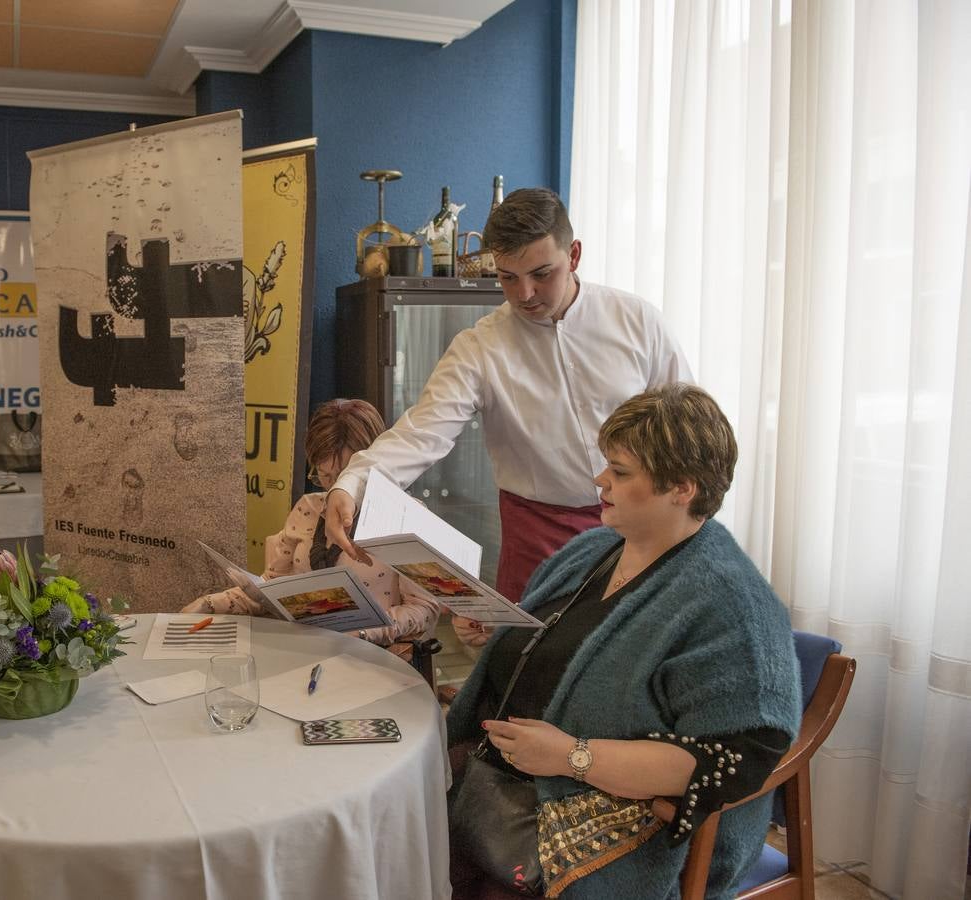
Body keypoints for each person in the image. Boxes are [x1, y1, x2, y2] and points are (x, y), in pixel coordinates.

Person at [445, 384, 801, 898]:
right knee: (394, 826)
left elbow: (738, 756)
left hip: (616, 825)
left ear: (682, 488)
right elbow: (562, 654)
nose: (600, 480)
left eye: (621, 472)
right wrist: (494, 638)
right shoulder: (594, 548)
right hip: (506, 785)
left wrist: (573, 757)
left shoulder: (730, 605)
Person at [325, 189, 691, 616]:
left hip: (640, 525)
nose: (525, 293)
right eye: (508, 277)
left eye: (541, 273)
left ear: (573, 255)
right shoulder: (479, 347)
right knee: (528, 668)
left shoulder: (637, 320)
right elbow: (421, 432)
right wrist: (352, 483)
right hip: (537, 536)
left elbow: (684, 426)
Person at [182, 399, 438, 653]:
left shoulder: (406, 515)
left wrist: (360, 633)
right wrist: (209, 604)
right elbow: (271, 590)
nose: (332, 487)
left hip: (374, 659)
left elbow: (424, 609)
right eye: (324, 476)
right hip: (303, 653)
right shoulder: (308, 508)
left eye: (344, 476)